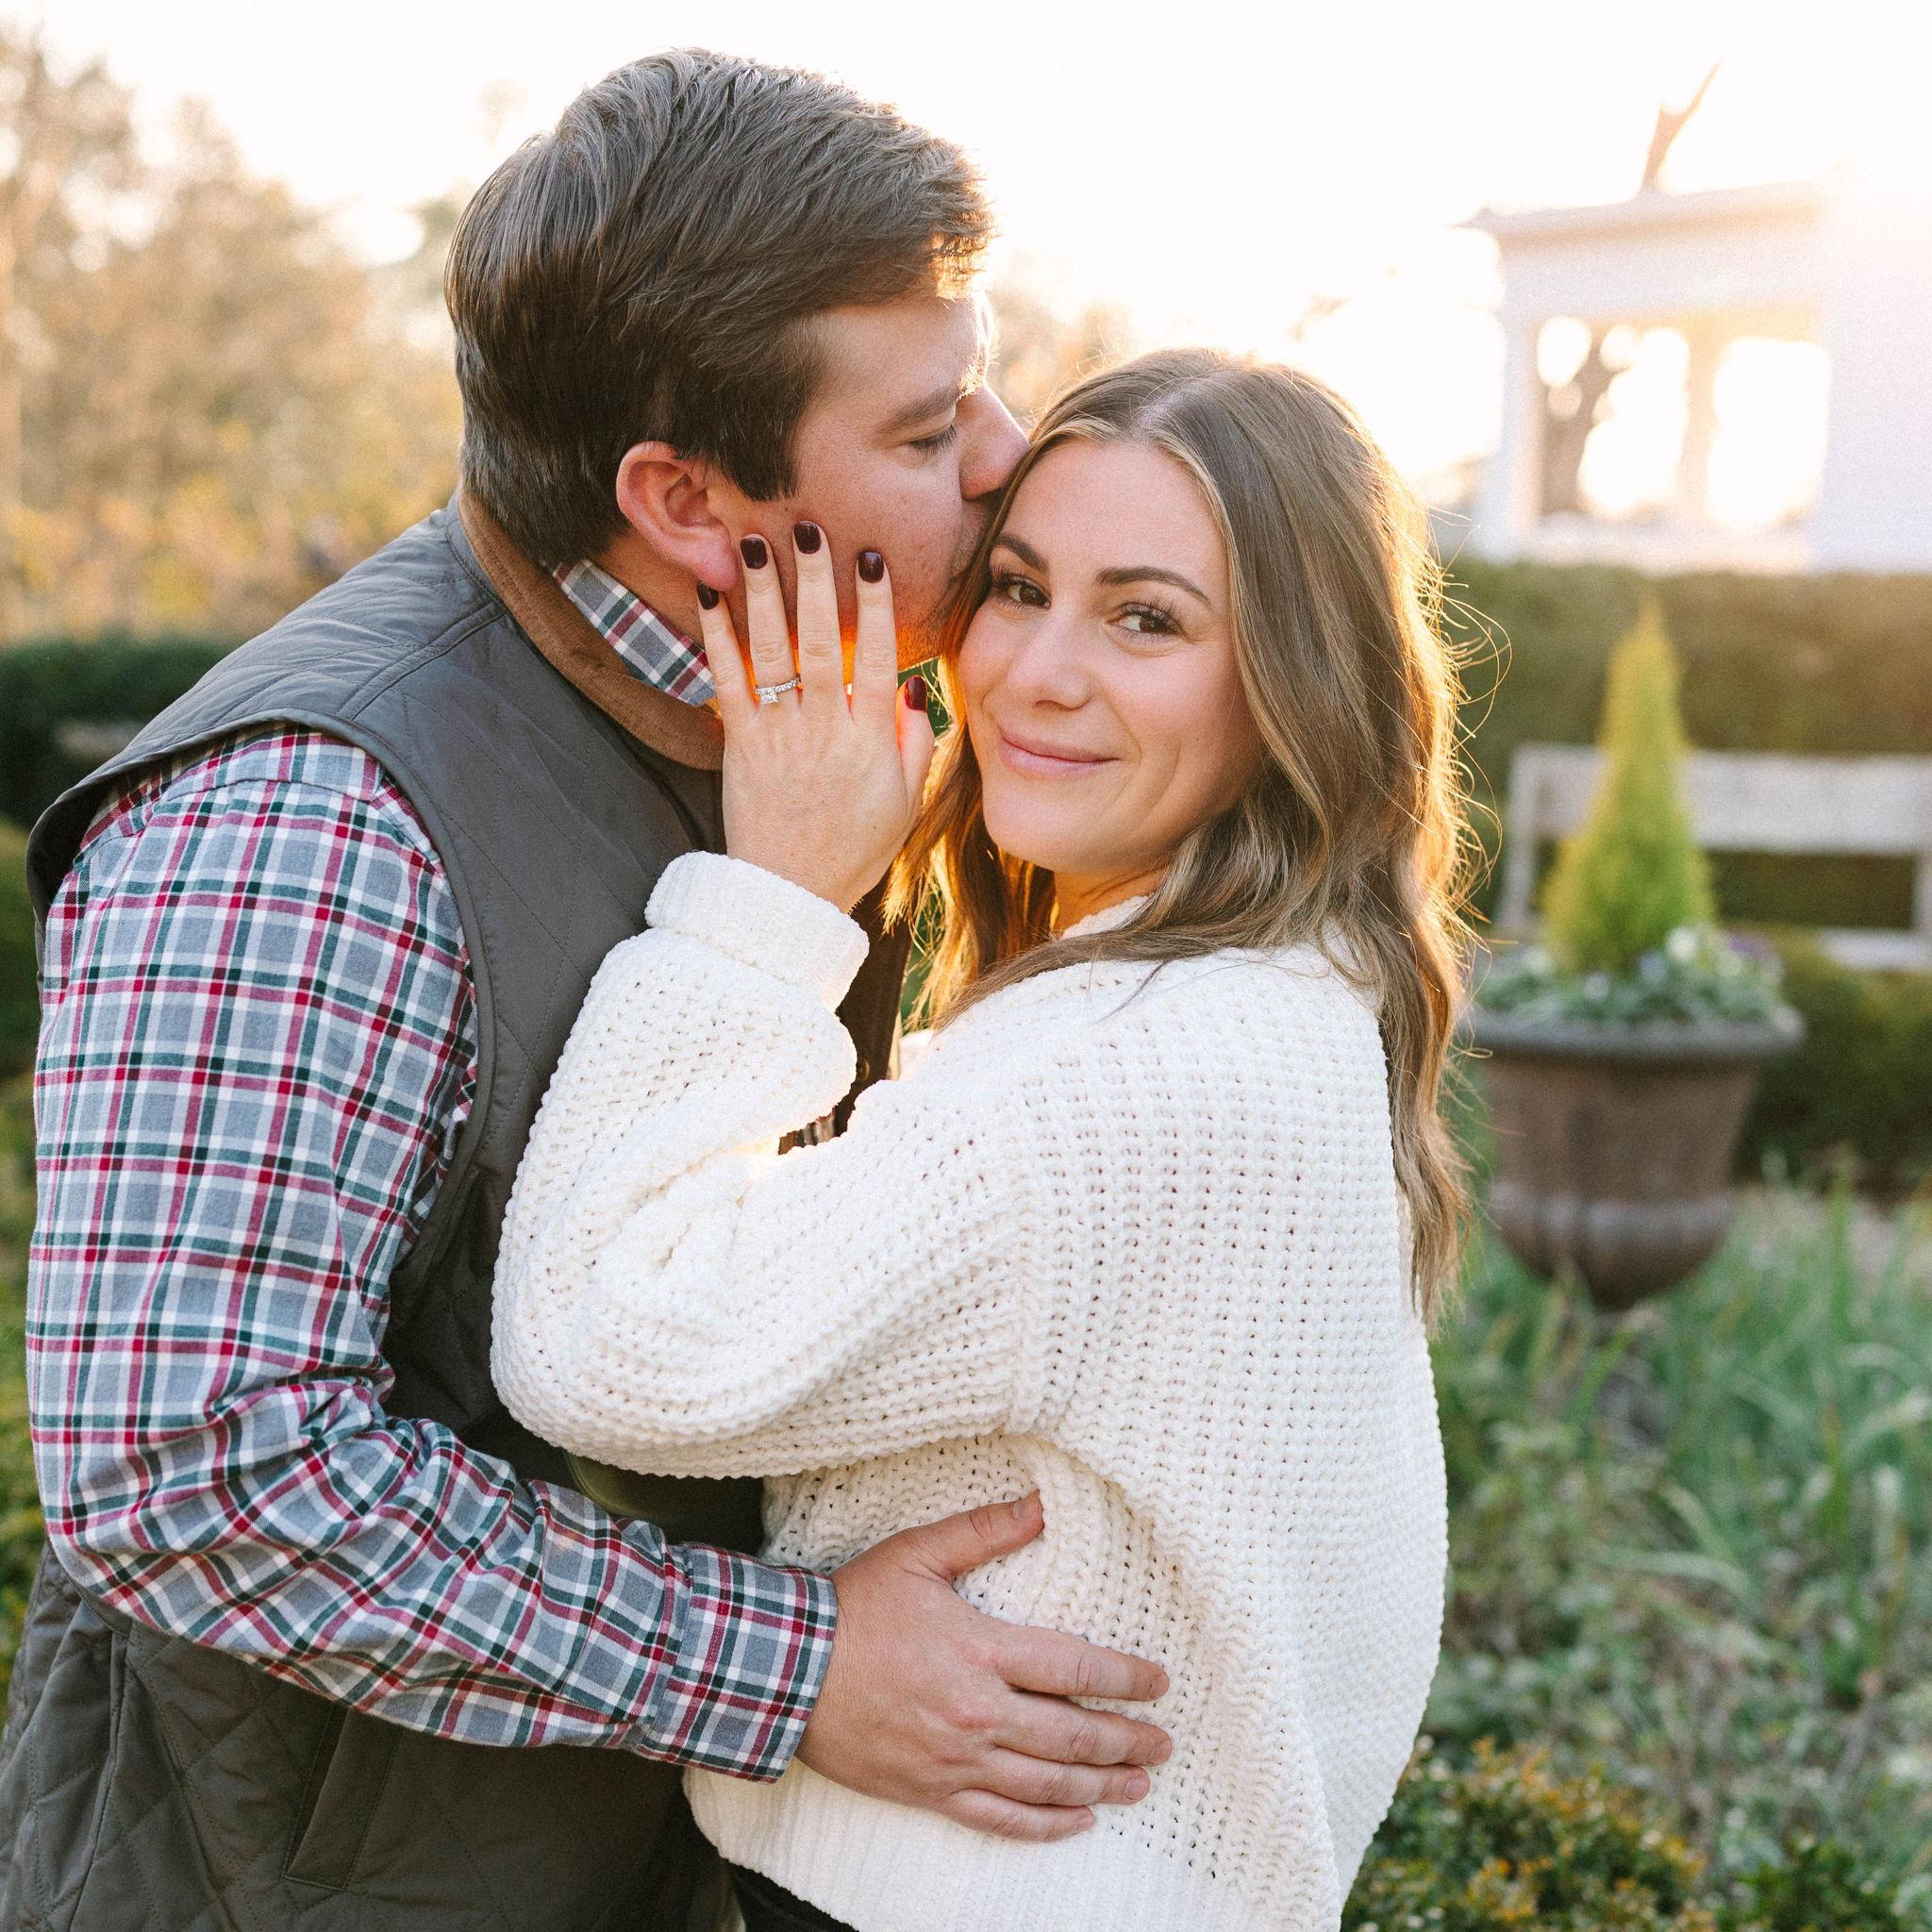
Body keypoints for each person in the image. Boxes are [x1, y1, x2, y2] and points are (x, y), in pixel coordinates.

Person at [2, 51, 1175, 1932]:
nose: (1003, 449)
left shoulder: (804, 724)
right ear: (689, 501)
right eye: (925, 424)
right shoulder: (312, 819)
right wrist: (792, 1667)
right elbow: (196, 1470)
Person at [493, 347, 1474, 1932]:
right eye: (1019, 589)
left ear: (1297, 682)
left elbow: (592, 1341)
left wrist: (771, 899)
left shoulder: (1128, 1086)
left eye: (1147, 619)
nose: (1034, 675)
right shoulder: (1286, 994)